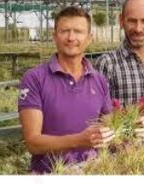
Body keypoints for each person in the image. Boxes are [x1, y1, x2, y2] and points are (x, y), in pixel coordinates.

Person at [19, 6, 127, 174]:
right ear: (54, 36)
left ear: (89, 38)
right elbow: (33, 143)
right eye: (65, 31)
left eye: (78, 31)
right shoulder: (34, 78)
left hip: (93, 171)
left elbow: (109, 128)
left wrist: (131, 127)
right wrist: (78, 140)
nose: (71, 37)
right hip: (50, 174)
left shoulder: (98, 80)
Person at [95, 0, 144, 140]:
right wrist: (134, 113)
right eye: (132, 21)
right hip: (122, 157)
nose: (138, 29)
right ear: (121, 21)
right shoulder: (106, 64)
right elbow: (97, 118)